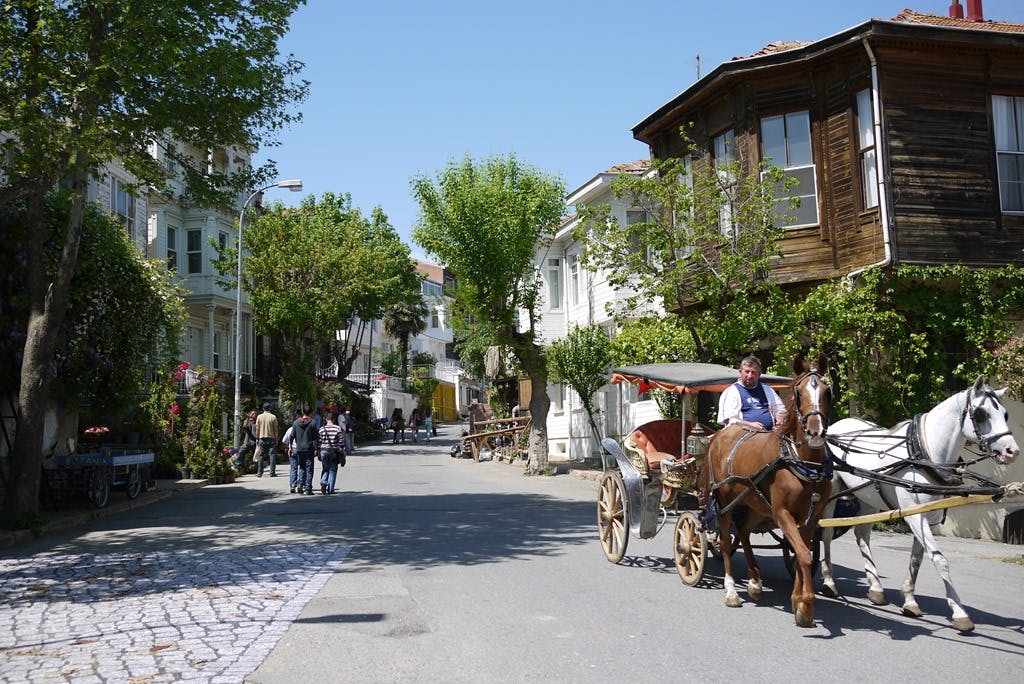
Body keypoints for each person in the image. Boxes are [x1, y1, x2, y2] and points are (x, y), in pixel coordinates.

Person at [716, 355, 787, 431]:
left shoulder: (767, 389)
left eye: (753, 372)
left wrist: (780, 421)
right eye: (747, 371)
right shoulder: (732, 391)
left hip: (770, 433)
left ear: (759, 374)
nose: (749, 376)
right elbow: (731, 419)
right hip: (743, 434)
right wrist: (750, 425)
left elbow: (781, 410)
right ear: (740, 372)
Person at [291, 406, 319, 495]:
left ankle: (300, 485)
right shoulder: (313, 423)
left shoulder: (296, 423)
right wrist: (317, 448)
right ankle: (308, 488)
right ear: (310, 413)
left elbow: (291, 436)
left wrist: (291, 448)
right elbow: (316, 437)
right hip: (309, 448)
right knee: (309, 468)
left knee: (302, 467)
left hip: (299, 449)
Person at [318, 414, 344, 494]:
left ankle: (323, 482)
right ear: (333, 419)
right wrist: (343, 451)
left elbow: (319, 442)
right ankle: (330, 489)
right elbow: (341, 441)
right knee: (333, 470)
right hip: (334, 451)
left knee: (325, 468)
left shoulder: (321, 429)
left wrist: (318, 451)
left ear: (326, 419)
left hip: (324, 451)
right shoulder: (337, 428)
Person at [254, 403, 279, 477]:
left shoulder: (259, 417)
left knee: (261, 455)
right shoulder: (273, 417)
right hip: (271, 438)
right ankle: (272, 472)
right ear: (270, 408)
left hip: (262, 438)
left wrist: (257, 438)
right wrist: (276, 438)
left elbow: (257, 428)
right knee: (272, 455)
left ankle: (259, 472)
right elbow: (276, 429)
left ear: (263, 409)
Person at [236, 409, 257, 474]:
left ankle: (256, 470)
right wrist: (248, 418)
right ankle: (240, 467)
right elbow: (245, 426)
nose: (254, 415)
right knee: (241, 453)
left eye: (255, 414)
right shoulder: (248, 421)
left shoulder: (257, 422)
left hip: (255, 442)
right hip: (247, 442)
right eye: (253, 413)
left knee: (256, 457)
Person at [281, 416, 298, 493]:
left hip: (292, 450)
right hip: (302, 450)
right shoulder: (302, 428)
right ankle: (301, 484)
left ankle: (293, 485)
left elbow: (284, 441)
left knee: (293, 468)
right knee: (302, 468)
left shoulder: (290, 430)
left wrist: (288, 448)